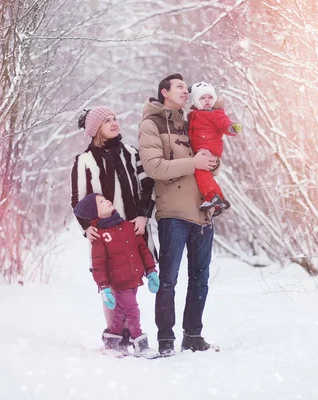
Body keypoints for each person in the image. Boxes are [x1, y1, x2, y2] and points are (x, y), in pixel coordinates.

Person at [138, 73, 220, 357]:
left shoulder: (189, 123)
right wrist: (193, 162)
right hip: (173, 212)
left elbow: (204, 164)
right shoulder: (151, 124)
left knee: (200, 279)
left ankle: (193, 336)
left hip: (202, 213)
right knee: (169, 278)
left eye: (187, 88)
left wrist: (211, 161)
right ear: (164, 92)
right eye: (180, 87)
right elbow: (155, 168)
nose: (187, 91)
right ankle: (166, 339)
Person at [71, 106, 156, 354]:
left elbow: (147, 187)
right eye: (107, 120)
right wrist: (87, 228)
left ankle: (131, 332)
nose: (114, 123)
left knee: (131, 281)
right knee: (109, 283)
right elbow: (78, 201)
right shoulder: (84, 161)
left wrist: (143, 215)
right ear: (96, 128)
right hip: (104, 234)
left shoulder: (131, 153)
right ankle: (116, 336)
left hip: (132, 231)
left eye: (115, 118)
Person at [73, 192, 160, 358]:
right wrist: (104, 287)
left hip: (134, 279)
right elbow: (98, 264)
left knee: (120, 313)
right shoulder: (99, 236)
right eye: (100, 202)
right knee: (133, 311)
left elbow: (143, 250)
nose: (106, 201)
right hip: (119, 282)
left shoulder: (127, 226)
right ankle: (140, 344)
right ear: (95, 213)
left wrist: (151, 271)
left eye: (104, 198)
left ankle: (112, 343)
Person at [187, 81, 241, 216]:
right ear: (196, 101)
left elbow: (223, 122)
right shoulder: (193, 115)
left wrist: (231, 127)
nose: (207, 101)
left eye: (210, 97)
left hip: (208, 149)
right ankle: (220, 200)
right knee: (201, 173)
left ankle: (213, 196)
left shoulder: (214, 113)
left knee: (201, 172)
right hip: (200, 150)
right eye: (202, 98)